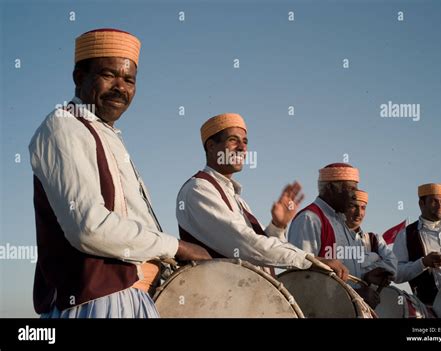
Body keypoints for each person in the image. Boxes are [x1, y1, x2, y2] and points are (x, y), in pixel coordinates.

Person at [29, 28, 210, 318]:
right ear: (79, 78)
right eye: (108, 75)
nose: (120, 87)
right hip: (98, 302)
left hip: (134, 298)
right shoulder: (63, 126)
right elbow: (89, 227)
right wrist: (176, 247)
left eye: (129, 80)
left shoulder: (109, 135)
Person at [175, 113, 348, 279]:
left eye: (245, 142)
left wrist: (277, 226)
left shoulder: (237, 199)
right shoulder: (198, 190)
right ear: (212, 147)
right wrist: (308, 259)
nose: (242, 148)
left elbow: (258, 250)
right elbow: (245, 244)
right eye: (233, 140)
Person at [288, 163, 381, 308]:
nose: (354, 195)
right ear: (331, 188)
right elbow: (301, 277)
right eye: (351, 189)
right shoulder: (310, 218)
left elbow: (341, 271)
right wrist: (355, 295)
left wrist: (366, 277)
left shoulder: (341, 222)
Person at [393, 183, 441, 305]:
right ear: (421, 204)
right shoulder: (407, 235)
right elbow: (396, 274)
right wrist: (423, 263)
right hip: (431, 308)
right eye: (434, 201)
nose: (440, 206)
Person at [344, 190, 397, 289]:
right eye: (354, 206)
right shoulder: (335, 237)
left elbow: (393, 265)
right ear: (343, 209)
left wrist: (367, 272)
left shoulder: (374, 239)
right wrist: (366, 275)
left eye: (363, 208)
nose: (359, 213)